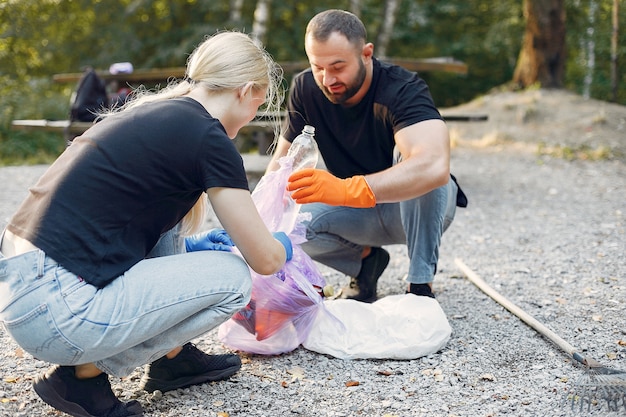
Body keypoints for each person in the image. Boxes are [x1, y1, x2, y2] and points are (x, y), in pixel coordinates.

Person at [0, 31, 293, 417]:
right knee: (234, 279)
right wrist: (286, 242)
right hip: (58, 312)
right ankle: (82, 378)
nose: (257, 109)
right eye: (260, 100)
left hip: (21, 291)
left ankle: (171, 357)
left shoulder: (152, 114)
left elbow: (126, 221)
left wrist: (194, 246)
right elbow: (265, 261)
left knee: (169, 218)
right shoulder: (209, 137)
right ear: (247, 90)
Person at [267, 9, 467, 303]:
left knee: (417, 162)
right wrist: (260, 220)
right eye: (318, 67)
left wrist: (348, 188)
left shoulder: (402, 88)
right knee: (287, 229)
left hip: (414, 207)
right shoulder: (305, 88)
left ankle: (420, 285)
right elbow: (282, 164)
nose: (327, 78)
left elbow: (434, 166)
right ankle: (365, 262)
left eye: (338, 66)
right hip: (355, 211)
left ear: (366, 53)